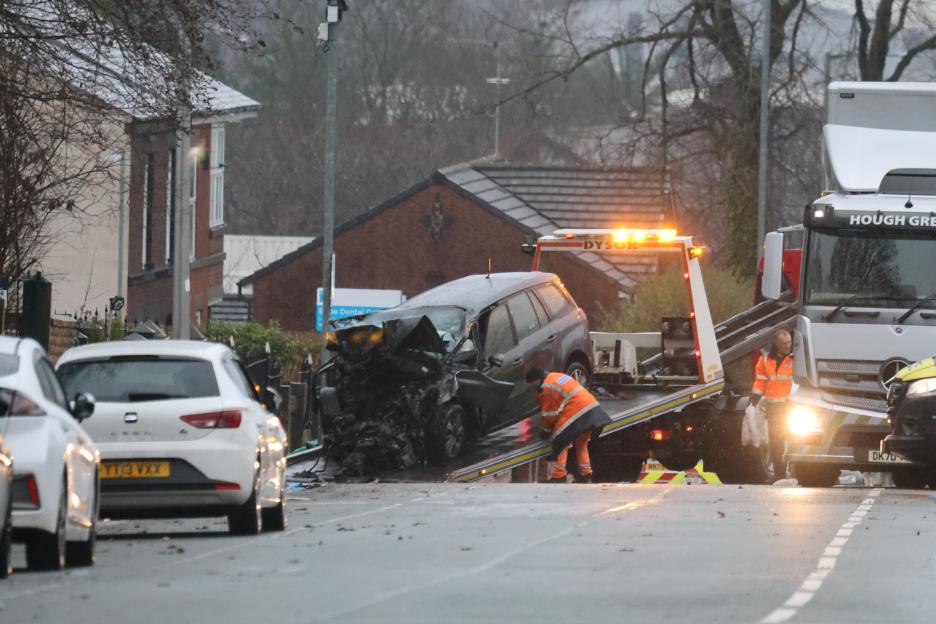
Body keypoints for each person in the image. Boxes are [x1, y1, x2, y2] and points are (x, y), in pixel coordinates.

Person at [525, 367, 611, 483]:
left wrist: (546, 431)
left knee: (561, 440)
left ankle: (559, 476)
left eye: (531, 384)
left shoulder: (547, 387)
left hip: (577, 411)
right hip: (592, 409)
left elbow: (549, 414)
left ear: (536, 380)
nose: (532, 387)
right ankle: (586, 475)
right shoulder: (556, 376)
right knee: (581, 444)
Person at [751, 330, 794, 480]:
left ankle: (791, 471)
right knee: (776, 441)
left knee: (792, 439)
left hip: (791, 406)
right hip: (774, 407)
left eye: (789, 342)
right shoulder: (765, 360)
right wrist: (755, 397)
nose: (787, 346)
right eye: (784, 343)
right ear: (776, 343)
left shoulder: (795, 359)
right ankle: (779, 473)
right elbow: (760, 381)